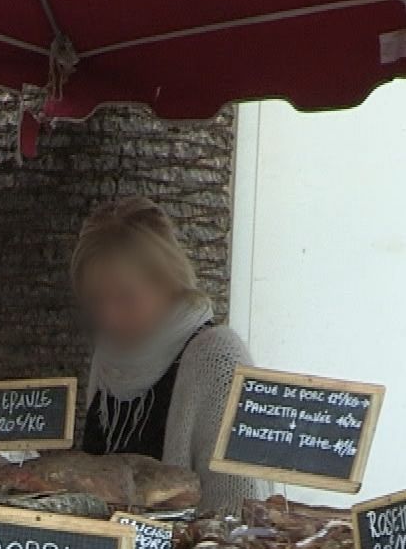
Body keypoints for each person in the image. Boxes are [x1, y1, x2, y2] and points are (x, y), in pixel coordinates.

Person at [71, 197, 265, 512]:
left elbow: (238, 506)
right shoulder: (109, 357)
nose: (109, 317)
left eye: (125, 297)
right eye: (96, 299)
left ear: (169, 284)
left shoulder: (216, 357)